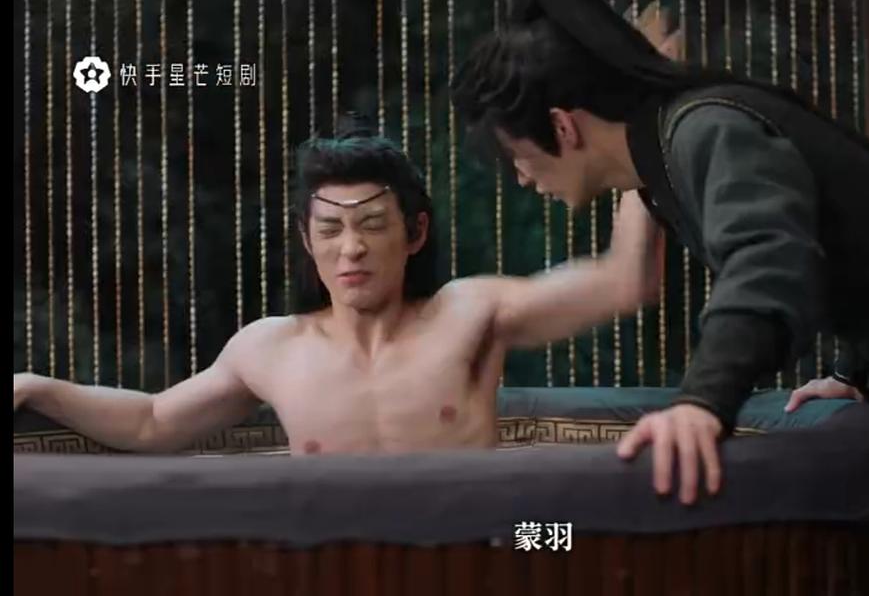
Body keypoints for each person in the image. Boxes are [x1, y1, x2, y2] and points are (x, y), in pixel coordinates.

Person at [449, 0, 869, 594]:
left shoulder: (703, 127)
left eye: (516, 158)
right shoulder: (662, 158)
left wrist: (702, 402)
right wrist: (855, 370)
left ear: (563, 126)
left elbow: (769, 256)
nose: (522, 180)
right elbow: (861, 243)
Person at [13, 125, 662, 456]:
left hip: (467, 562)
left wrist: (634, 129)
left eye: (372, 225)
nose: (351, 248)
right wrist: (34, 386)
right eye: (330, 229)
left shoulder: (469, 313)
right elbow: (153, 422)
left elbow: (624, 279)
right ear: (307, 238)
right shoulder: (272, 348)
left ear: (414, 232)